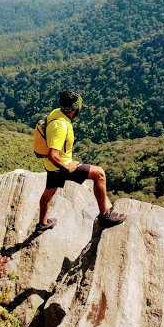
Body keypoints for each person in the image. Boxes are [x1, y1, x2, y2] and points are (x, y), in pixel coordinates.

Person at [36, 89, 126, 232]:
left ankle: (42, 223)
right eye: (80, 105)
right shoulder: (60, 126)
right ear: (74, 109)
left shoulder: (57, 113)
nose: (81, 107)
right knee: (100, 174)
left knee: (49, 192)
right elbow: (53, 155)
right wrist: (68, 168)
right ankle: (105, 215)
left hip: (52, 167)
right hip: (61, 166)